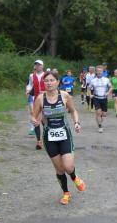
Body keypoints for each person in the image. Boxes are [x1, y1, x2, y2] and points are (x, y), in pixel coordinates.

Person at [31, 71, 87, 205]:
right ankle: (66, 193)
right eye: (46, 81)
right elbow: (34, 115)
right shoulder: (40, 98)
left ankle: (74, 177)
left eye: (51, 80)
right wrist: (34, 120)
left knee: (68, 166)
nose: (49, 83)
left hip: (64, 134)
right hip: (49, 137)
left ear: (57, 82)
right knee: (60, 169)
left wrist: (77, 123)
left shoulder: (65, 95)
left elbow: (73, 110)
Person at [25, 59, 46, 150]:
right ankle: (39, 141)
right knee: (36, 120)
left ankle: (47, 139)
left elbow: (53, 86)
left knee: (44, 120)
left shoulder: (47, 75)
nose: (37, 66)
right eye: (36, 65)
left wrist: (45, 91)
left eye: (39, 65)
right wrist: (28, 90)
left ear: (42, 66)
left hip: (46, 99)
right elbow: (30, 84)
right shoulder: (31, 76)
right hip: (36, 100)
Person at [89, 65, 113, 133]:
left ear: (102, 72)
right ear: (96, 72)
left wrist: (108, 92)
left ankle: (99, 117)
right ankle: (100, 126)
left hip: (104, 98)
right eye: (98, 71)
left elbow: (111, 87)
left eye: (101, 71)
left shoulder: (106, 79)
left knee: (104, 114)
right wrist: (90, 94)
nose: (99, 72)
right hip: (96, 98)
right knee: (98, 112)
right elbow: (88, 88)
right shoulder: (93, 80)